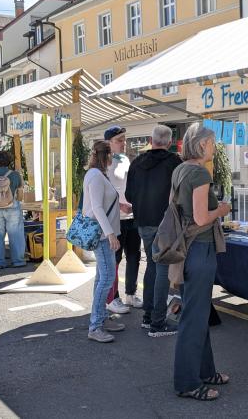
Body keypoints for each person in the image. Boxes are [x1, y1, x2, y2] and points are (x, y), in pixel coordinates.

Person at [172, 123, 231, 401]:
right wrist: (221, 208)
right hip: (200, 249)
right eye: (212, 143)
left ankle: (206, 371)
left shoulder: (181, 170)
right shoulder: (198, 173)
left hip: (186, 249)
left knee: (197, 314)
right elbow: (200, 218)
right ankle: (187, 382)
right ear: (202, 144)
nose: (214, 147)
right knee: (194, 319)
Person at [125, 125, 182, 336]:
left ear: (151, 139)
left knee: (152, 265)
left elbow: (129, 196)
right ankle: (157, 322)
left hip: (142, 222)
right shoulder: (175, 163)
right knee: (162, 270)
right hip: (165, 224)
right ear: (168, 142)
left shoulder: (137, 162)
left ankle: (148, 317)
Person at [84, 140, 127, 343]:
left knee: (102, 278)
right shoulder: (95, 176)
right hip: (102, 235)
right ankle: (95, 326)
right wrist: (110, 234)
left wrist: (121, 207)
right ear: (107, 156)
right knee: (107, 278)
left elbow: (103, 204)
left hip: (104, 233)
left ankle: (99, 319)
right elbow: (97, 208)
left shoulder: (98, 175)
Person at [105, 125, 142, 313]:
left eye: (125, 139)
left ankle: (130, 294)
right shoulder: (105, 163)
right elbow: (103, 194)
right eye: (119, 140)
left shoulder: (126, 159)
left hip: (132, 216)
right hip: (115, 218)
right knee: (115, 259)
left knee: (134, 256)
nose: (124, 143)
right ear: (109, 143)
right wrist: (120, 206)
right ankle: (113, 298)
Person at [0, 151, 26, 270]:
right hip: (11, 207)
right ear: (9, 161)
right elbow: (20, 193)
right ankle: (18, 261)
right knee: (15, 234)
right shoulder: (14, 174)